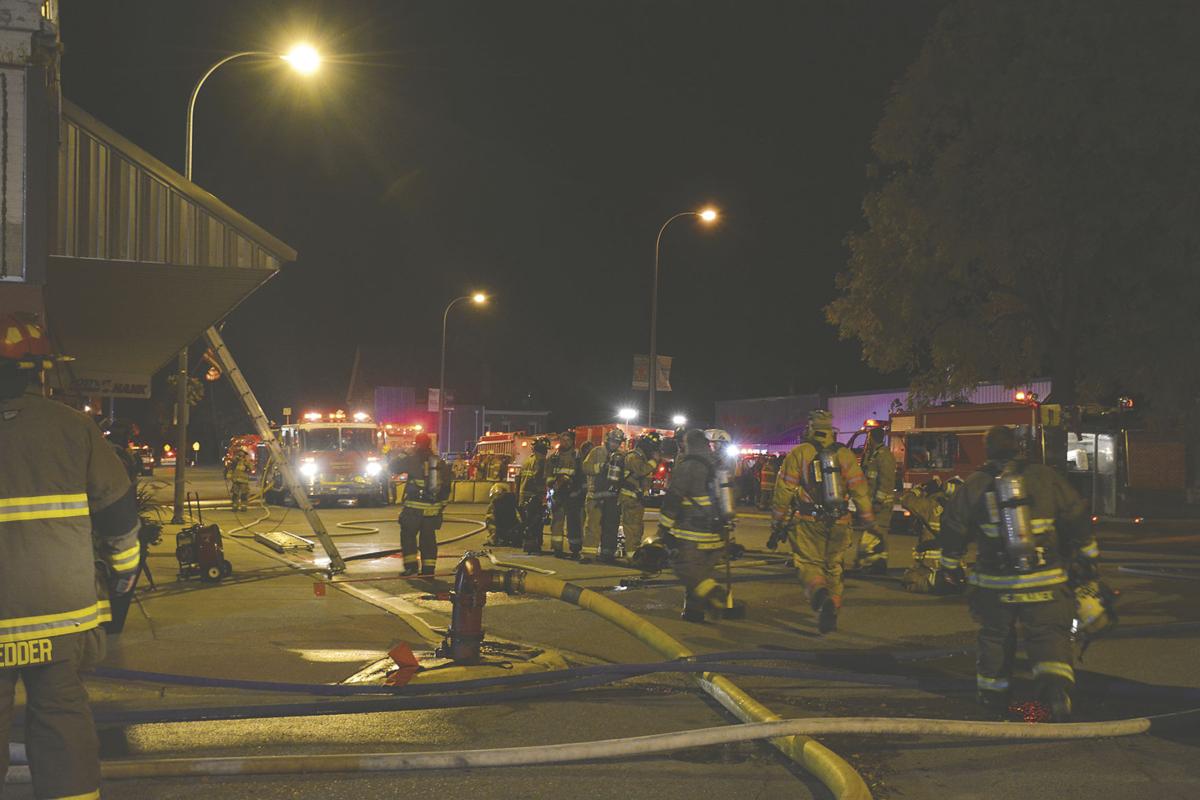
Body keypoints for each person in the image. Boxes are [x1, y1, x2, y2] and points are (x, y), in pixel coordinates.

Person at [0, 313, 141, 800]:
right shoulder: (74, 427)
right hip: (61, 616)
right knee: (62, 721)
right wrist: (122, 581)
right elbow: (120, 518)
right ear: (39, 370)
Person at [938, 425, 1096, 722]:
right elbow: (1075, 514)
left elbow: (954, 526)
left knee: (995, 637)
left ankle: (993, 696)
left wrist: (949, 565)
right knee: (1048, 635)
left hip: (995, 583)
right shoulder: (1045, 477)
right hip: (1046, 577)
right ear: (1018, 447)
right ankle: (1055, 691)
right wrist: (1088, 553)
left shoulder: (975, 484)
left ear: (987, 450)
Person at [768, 409, 875, 634]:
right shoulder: (845, 455)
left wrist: (777, 520)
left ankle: (820, 595)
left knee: (809, 564)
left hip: (809, 521)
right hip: (840, 522)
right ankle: (832, 611)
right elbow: (859, 488)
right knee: (834, 567)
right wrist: (867, 519)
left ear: (810, 428)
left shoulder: (799, 453)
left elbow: (784, 491)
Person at [657, 428, 738, 621]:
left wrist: (664, 528)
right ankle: (694, 611)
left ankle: (714, 595)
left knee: (685, 568)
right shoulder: (718, 463)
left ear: (688, 444)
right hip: (717, 532)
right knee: (704, 570)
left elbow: (674, 497)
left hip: (692, 531)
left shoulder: (688, 465)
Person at [390, 433, 450, 576]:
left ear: (417, 443)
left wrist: (405, 452)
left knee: (408, 537)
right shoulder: (439, 462)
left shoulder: (412, 459)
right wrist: (440, 506)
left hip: (414, 509)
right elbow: (447, 486)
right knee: (428, 539)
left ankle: (411, 568)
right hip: (433, 510)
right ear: (429, 444)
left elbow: (392, 467)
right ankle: (428, 570)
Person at [848, 426, 896, 573]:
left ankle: (875, 564)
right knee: (873, 533)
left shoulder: (884, 455)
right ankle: (873, 563)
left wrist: (878, 501)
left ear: (872, 438)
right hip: (872, 502)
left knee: (876, 533)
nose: (867, 441)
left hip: (881, 504)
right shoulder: (874, 455)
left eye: (868, 438)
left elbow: (887, 480)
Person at [582, 428, 626, 563]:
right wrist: (602, 467)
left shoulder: (622, 455)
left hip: (612, 496)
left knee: (611, 526)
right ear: (608, 439)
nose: (615, 444)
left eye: (617, 442)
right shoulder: (597, 451)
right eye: (613, 441)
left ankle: (607, 554)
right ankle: (589, 555)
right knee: (593, 526)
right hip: (595, 495)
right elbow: (586, 467)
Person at [619, 431, 661, 556]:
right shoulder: (634, 456)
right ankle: (632, 556)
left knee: (637, 527)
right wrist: (654, 461)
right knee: (632, 528)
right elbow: (641, 470)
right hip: (629, 497)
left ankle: (634, 553)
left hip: (636, 498)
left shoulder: (642, 457)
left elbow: (645, 479)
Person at [547, 430, 584, 558]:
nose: (565, 442)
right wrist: (554, 483)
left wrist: (577, 490)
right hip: (558, 494)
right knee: (557, 522)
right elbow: (547, 476)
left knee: (573, 523)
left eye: (568, 440)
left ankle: (575, 549)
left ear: (572, 441)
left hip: (573, 494)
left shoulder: (578, 457)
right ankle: (557, 549)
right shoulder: (554, 457)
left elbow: (582, 476)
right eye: (562, 440)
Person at [518, 437, 551, 553]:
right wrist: (543, 497)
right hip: (535, 496)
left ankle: (527, 544)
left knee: (527, 522)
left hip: (524, 496)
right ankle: (534, 546)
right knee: (536, 523)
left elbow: (518, 479)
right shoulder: (541, 461)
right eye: (546, 450)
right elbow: (540, 480)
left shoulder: (526, 461)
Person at [484, 482, 521, 547]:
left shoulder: (494, 505)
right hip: (512, 532)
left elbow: (490, 521)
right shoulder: (512, 502)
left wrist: (493, 537)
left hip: (505, 532)